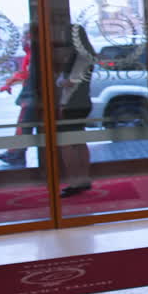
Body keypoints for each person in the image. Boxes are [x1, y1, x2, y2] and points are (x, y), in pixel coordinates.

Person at [57, 24, 95, 196]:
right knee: (79, 141)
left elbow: (70, 82)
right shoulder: (88, 55)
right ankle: (84, 179)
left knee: (66, 144)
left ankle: (75, 182)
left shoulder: (80, 57)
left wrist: (60, 80)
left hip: (72, 103)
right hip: (83, 102)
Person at [0, 28, 34, 167]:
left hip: (32, 95)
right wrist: (10, 82)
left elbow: (27, 74)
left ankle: (15, 154)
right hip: (31, 94)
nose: (22, 40)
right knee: (24, 126)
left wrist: (10, 82)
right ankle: (15, 154)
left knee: (24, 125)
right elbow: (24, 73)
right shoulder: (30, 53)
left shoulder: (33, 54)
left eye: (25, 37)